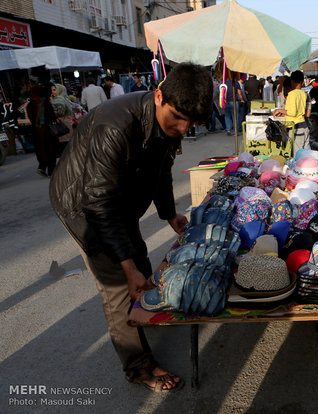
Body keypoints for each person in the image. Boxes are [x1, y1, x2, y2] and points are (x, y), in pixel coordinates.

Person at [49, 62, 213, 393]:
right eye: (178, 118)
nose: (184, 128)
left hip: (119, 198)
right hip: (83, 203)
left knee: (137, 256)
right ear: (159, 97)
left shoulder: (168, 125)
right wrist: (125, 267)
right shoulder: (116, 125)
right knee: (116, 281)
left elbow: (160, 170)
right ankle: (138, 365)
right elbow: (98, 204)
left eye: (192, 122)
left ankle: (144, 310)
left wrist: (169, 214)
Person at [273, 70, 309, 153]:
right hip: (304, 125)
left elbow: (292, 112)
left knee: (298, 155)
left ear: (292, 80)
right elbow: (297, 110)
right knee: (306, 154)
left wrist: (279, 110)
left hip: (296, 127)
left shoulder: (292, 94)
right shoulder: (303, 93)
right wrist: (283, 112)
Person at [30, 83, 58, 177]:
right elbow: (52, 116)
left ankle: (42, 166)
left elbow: (31, 118)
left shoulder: (30, 104)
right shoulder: (45, 102)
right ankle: (51, 171)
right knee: (50, 149)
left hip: (37, 131)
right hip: (47, 131)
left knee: (41, 149)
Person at [50, 83, 74, 156]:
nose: (52, 92)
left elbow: (60, 112)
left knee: (65, 147)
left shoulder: (58, 100)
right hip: (67, 124)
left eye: (55, 90)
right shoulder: (63, 98)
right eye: (51, 90)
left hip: (63, 125)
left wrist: (51, 105)